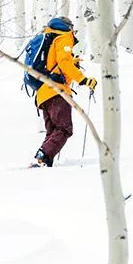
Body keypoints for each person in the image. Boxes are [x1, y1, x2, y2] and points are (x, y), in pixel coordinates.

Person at [30, 16, 98, 167]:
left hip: (43, 93)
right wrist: (83, 80)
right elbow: (64, 62)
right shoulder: (63, 37)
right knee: (64, 128)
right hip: (57, 92)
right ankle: (42, 158)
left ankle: (42, 162)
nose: (74, 31)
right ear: (67, 26)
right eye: (73, 28)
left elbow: (57, 63)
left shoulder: (51, 38)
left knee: (53, 132)